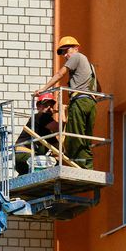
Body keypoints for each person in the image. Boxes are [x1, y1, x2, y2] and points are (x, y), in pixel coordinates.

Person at [39, 36, 101, 168]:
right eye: (62, 53)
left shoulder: (77, 57)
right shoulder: (89, 66)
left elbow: (60, 73)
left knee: (74, 136)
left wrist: (43, 89)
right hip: (90, 103)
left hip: (80, 101)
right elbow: (98, 88)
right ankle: (86, 166)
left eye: (66, 50)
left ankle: (77, 166)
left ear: (76, 48)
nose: (65, 55)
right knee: (85, 138)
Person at [15, 92, 62, 174]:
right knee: (56, 167)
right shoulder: (40, 116)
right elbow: (59, 128)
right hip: (26, 155)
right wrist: (62, 113)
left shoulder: (46, 132)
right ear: (38, 106)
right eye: (46, 105)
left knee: (56, 164)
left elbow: (59, 148)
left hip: (23, 159)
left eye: (51, 105)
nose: (49, 108)